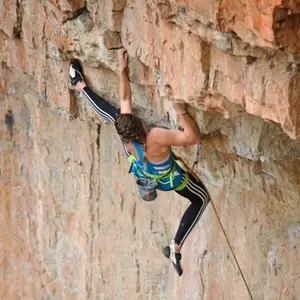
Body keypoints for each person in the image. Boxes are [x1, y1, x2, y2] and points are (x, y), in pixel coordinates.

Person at [69, 49, 210, 276]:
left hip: (143, 170)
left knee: (112, 115)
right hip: (167, 178)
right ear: (141, 126)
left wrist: (121, 70)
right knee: (201, 199)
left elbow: (125, 99)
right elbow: (192, 138)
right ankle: (175, 248)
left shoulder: (125, 134)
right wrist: (182, 111)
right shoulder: (155, 137)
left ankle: (79, 85)